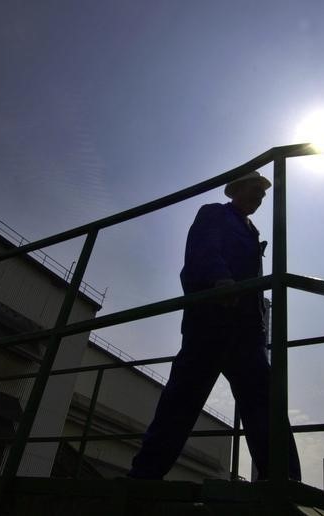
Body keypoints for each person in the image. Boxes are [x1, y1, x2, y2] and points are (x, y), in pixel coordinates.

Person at [129, 171, 301, 481]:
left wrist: (259, 321)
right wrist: (220, 280)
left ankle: (283, 479)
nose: (260, 197)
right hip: (211, 320)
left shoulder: (251, 231)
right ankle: (144, 475)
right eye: (254, 189)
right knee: (182, 400)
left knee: (263, 402)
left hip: (247, 330)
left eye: (263, 194)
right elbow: (203, 250)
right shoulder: (214, 214)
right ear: (234, 190)